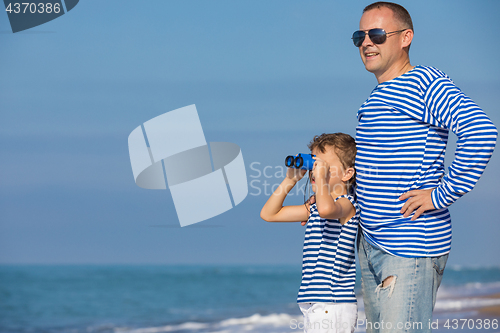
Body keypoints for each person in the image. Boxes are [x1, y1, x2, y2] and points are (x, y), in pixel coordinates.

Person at [353, 2, 498, 332]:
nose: (366, 42)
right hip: (373, 243)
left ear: (406, 37)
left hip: (409, 245)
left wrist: (439, 195)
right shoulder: (375, 98)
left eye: (376, 34)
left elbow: (482, 130)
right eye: (359, 36)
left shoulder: (423, 82)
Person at [260, 133, 359, 333]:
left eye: (324, 167)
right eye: (314, 164)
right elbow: (269, 214)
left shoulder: (347, 204)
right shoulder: (314, 208)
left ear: (347, 173)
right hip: (315, 303)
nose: (316, 172)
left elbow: (327, 210)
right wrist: (290, 180)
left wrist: (320, 180)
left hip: (332, 304)